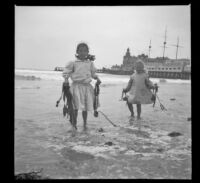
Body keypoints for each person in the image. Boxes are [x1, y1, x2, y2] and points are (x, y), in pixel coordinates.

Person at [62, 42, 101, 131]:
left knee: (85, 107)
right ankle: (74, 123)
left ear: (88, 52)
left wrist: (97, 78)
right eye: (81, 51)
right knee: (75, 106)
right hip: (76, 87)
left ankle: (84, 123)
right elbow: (66, 72)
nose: (83, 53)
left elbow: (93, 73)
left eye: (85, 51)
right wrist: (66, 80)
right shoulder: (73, 62)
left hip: (87, 87)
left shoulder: (90, 63)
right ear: (77, 52)